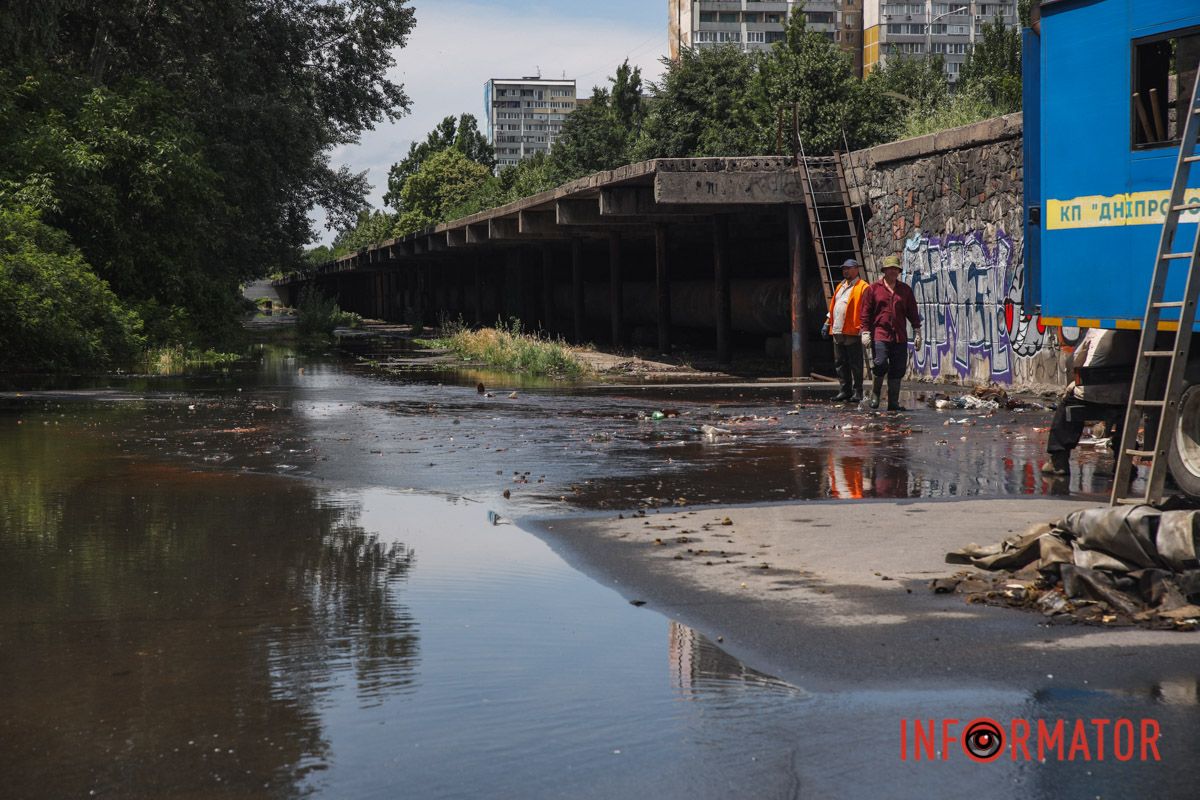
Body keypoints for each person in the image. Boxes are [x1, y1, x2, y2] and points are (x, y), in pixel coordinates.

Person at [1041, 328, 1138, 476]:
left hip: (1092, 391)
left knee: (1067, 407)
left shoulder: (1095, 328)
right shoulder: (1140, 330)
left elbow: (1074, 360)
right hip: (1125, 394)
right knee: (1127, 414)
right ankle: (1123, 463)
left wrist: (1072, 384)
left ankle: (1058, 460)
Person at [859, 255, 922, 411]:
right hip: (880, 334)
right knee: (880, 363)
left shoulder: (905, 290)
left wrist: (917, 331)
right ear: (884, 271)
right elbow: (865, 312)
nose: (893, 271)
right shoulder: (873, 289)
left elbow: (912, 312)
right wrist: (865, 331)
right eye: (890, 269)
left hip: (899, 336)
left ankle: (893, 402)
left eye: (896, 269)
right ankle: (875, 395)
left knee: (898, 368)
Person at [822, 258, 869, 402]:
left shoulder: (863, 287)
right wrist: (827, 322)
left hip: (852, 330)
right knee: (840, 362)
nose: (845, 271)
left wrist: (865, 328)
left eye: (848, 268)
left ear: (856, 269)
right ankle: (844, 390)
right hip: (837, 329)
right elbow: (834, 306)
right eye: (844, 269)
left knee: (855, 362)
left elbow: (866, 309)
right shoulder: (840, 286)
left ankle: (858, 391)